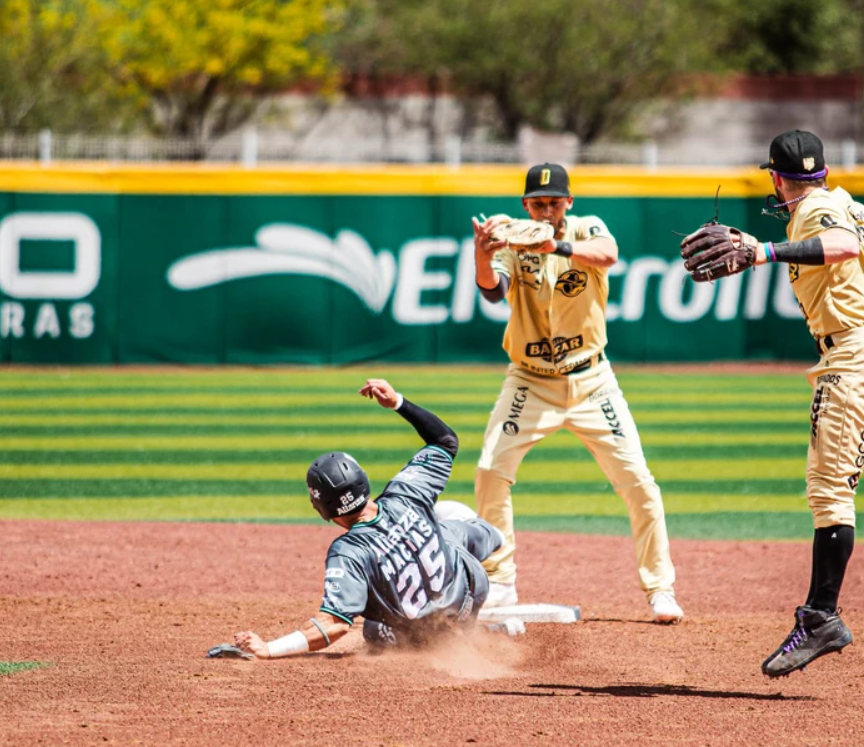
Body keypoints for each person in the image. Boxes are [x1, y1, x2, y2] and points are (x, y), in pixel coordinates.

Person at [678, 130, 864, 678]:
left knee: (830, 494)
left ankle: (821, 618)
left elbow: (844, 248)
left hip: (852, 359)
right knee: (829, 490)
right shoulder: (847, 204)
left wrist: (760, 250)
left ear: (777, 178)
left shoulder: (813, 213)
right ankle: (820, 615)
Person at [469, 163, 683, 624]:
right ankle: (501, 580)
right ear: (525, 204)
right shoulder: (508, 233)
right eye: (537, 202)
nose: (546, 210)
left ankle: (660, 587)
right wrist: (482, 255)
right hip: (530, 380)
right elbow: (492, 292)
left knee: (639, 483)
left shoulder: (587, 229)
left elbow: (607, 254)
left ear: (569, 202)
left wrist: (557, 245)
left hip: (591, 381)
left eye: (554, 202)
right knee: (490, 469)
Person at [228, 378, 507, 659]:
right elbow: (445, 440)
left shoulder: (349, 551)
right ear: (363, 481)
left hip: (433, 634)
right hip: (472, 586)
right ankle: (495, 544)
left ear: (321, 509)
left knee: (374, 628)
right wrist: (397, 402)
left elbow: (334, 624)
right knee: (450, 523)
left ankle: (477, 634)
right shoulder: (406, 493)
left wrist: (268, 649)